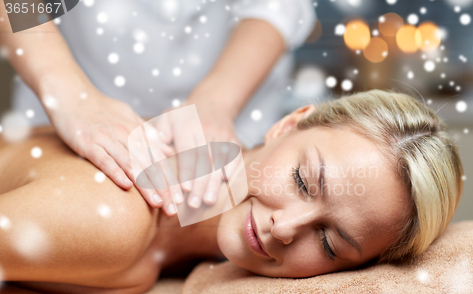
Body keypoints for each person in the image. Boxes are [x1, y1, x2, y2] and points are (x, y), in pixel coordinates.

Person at [0, 90, 463, 294]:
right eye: (303, 181)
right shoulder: (118, 215)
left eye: (328, 242)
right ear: (288, 124)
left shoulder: (173, 235)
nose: (285, 228)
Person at [0, 0, 316, 216]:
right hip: (72, 100)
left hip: (235, 106)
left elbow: (278, 6)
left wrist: (215, 103)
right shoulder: (106, 217)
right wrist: (69, 92)